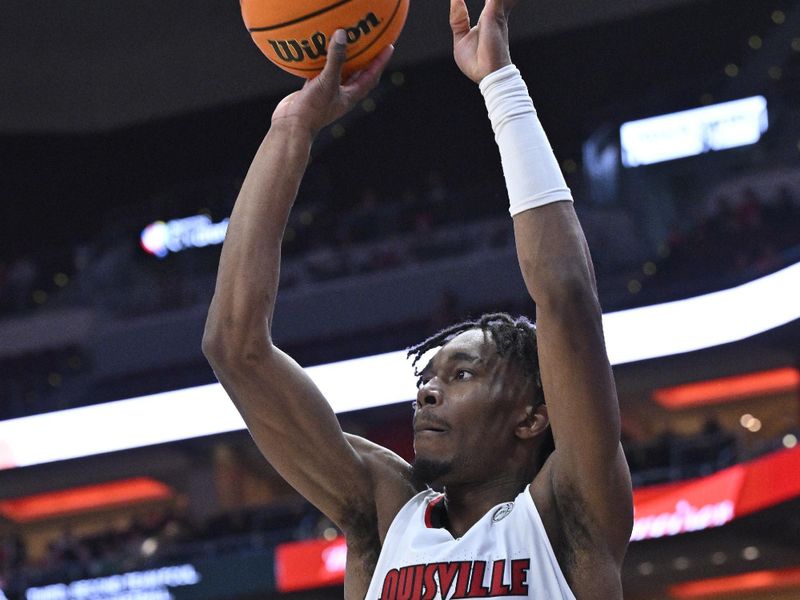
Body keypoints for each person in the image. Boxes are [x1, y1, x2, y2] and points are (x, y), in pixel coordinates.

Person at [202, 0, 633, 597]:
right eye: (428, 376)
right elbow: (235, 347)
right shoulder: (384, 517)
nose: (428, 390)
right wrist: (291, 130)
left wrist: (501, 85)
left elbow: (564, 295)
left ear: (532, 416)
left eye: (462, 373)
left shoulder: (568, 517)